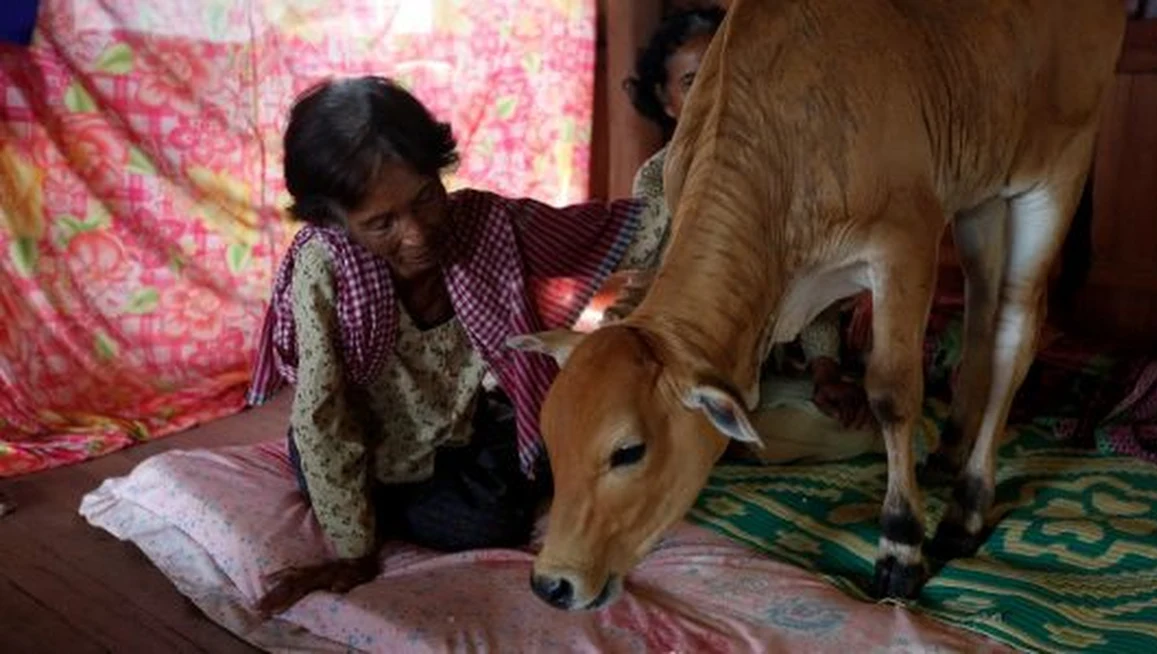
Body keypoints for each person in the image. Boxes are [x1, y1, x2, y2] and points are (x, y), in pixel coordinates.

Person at [247, 76, 667, 615]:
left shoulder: (485, 225)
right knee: (372, 488)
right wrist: (353, 550)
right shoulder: (323, 268)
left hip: (453, 436)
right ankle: (365, 504)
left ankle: (393, 505)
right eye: (381, 224)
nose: (417, 234)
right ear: (332, 220)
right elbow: (322, 417)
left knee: (505, 502)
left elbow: (612, 230)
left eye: (425, 198)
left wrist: (716, 209)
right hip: (356, 445)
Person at [620, 6, 869, 429]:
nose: (713, 95)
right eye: (691, 82)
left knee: (853, 430)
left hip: (770, 369)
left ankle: (721, 436)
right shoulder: (656, 181)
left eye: (725, 74)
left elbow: (806, 278)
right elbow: (645, 286)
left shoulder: (779, 172)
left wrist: (824, 370)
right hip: (686, 361)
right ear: (666, 100)